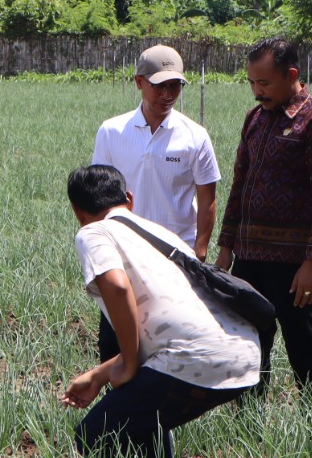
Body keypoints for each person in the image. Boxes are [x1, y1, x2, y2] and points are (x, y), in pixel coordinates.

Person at [60, 164, 260, 458]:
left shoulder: (93, 231)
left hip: (193, 358)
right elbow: (167, 329)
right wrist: (99, 375)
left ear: (77, 211)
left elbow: (116, 285)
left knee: (95, 435)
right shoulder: (161, 235)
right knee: (142, 418)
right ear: (129, 198)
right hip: (244, 355)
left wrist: (126, 364)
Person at [215, 38, 312, 405]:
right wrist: (226, 249)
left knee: (302, 342)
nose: (257, 91)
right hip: (249, 259)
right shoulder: (255, 120)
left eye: (265, 83)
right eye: (252, 83)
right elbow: (239, 186)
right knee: (249, 342)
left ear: (292, 75)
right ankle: (248, 423)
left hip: (293, 265)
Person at [91, 44, 221, 362]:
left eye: (174, 86)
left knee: (172, 345)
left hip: (176, 258)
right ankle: (117, 411)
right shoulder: (112, 132)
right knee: (114, 344)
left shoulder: (195, 136)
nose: (167, 94)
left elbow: (208, 198)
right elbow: (99, 195)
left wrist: (200, 251)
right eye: (159, 86)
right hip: (123, 256)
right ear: (139, 82)